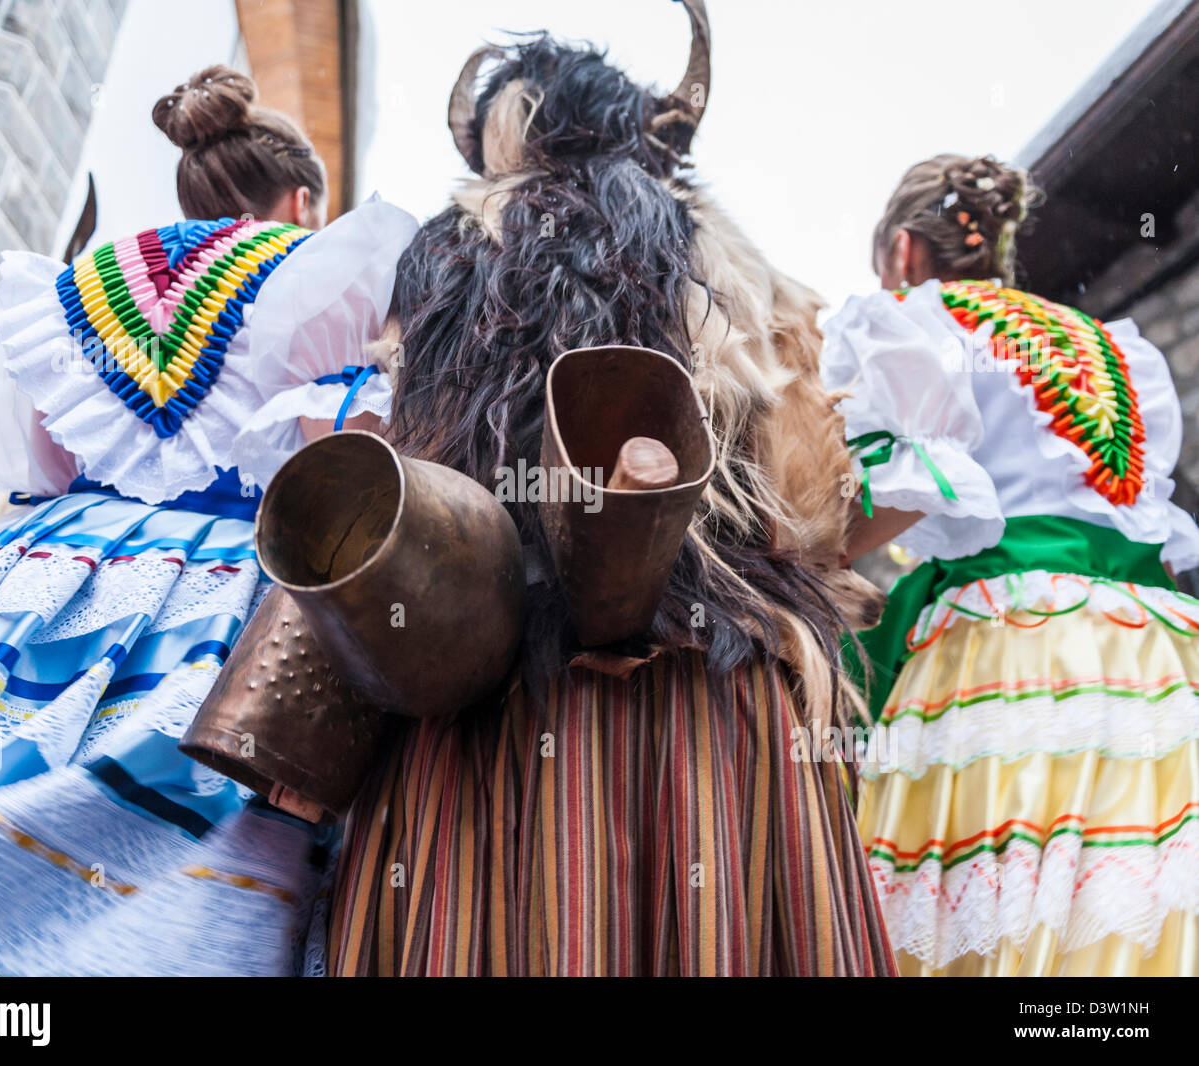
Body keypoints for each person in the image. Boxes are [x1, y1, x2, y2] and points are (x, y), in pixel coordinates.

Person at [320, 4, 896, 976]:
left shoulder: (437, 254)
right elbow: (805, 502)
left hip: (477, 692)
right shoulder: (729, 259)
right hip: (701, 694)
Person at [0, 65, 416, 975]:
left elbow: (42, 462)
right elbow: (342, 450)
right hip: (218, 595)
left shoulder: (76, 288)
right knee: (186, 822)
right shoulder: (321, 274)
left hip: (39, 576)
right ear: (301, 198)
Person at [825, 153, 1199, 975]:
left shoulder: (914, 318)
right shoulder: (1109, 349)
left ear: (902, 255)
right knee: (1134, 889)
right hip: (1152, 648)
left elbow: (917, 487)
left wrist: (804, 563)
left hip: (1006, 645)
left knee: (993, 886)